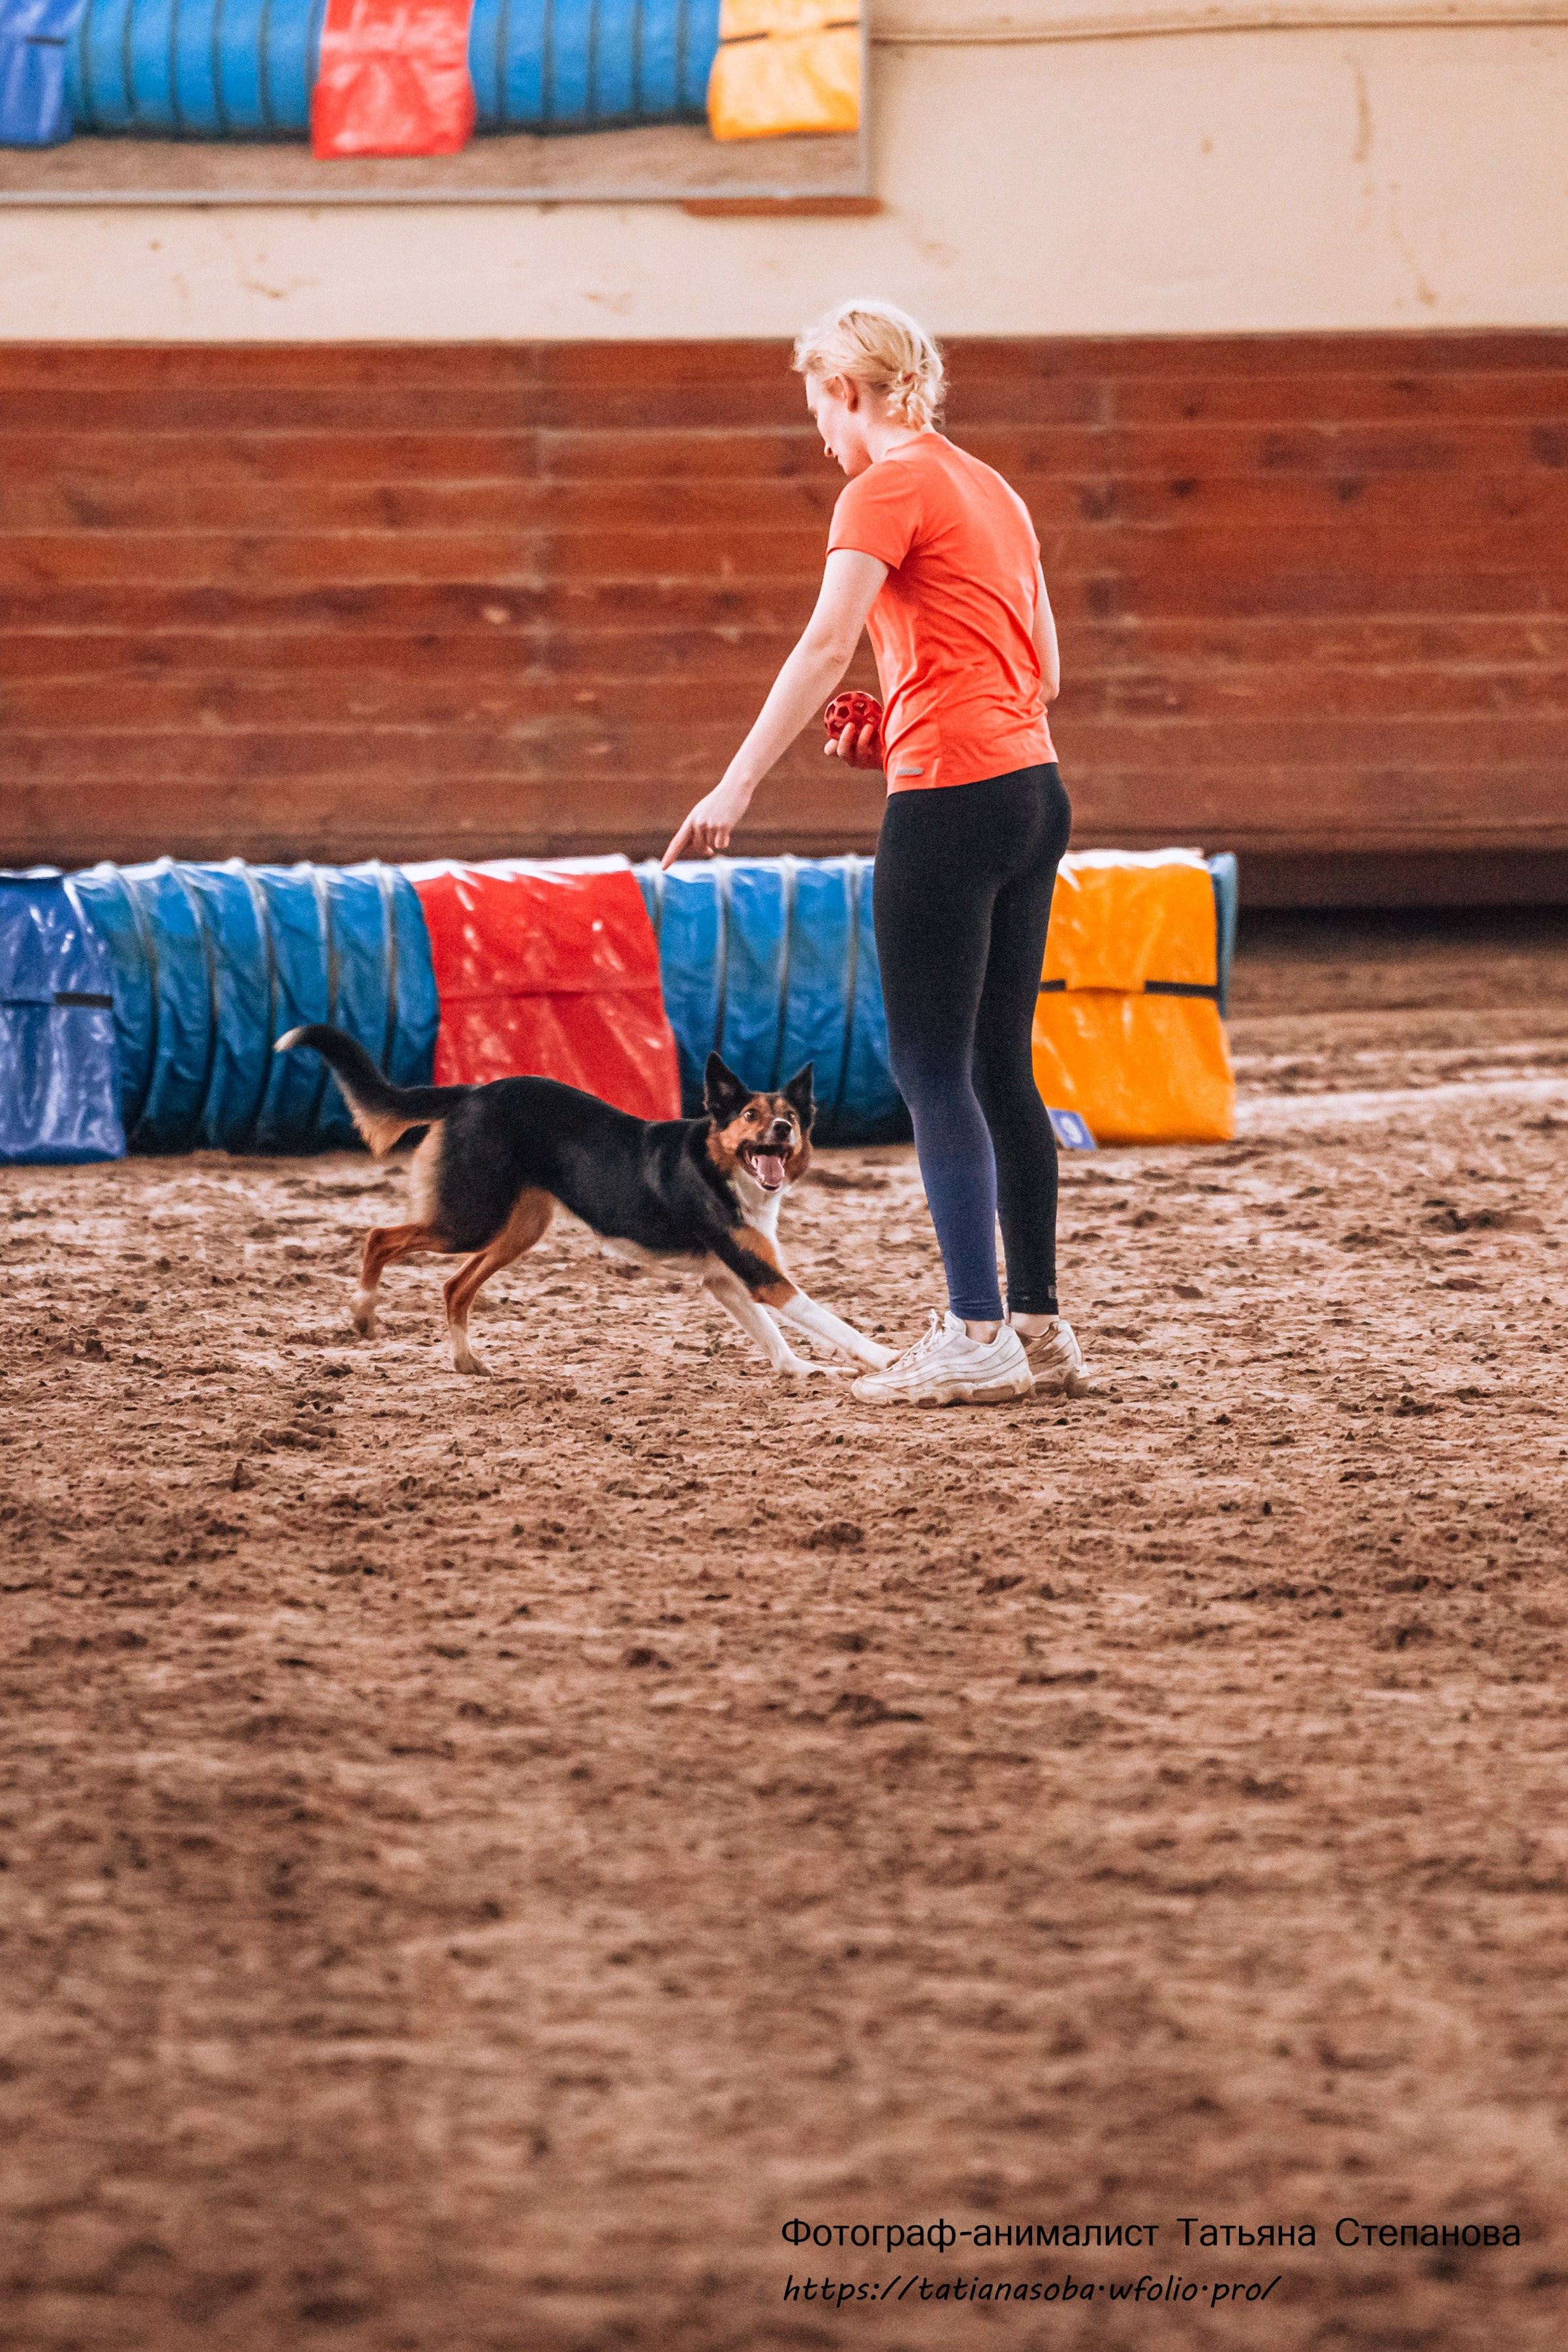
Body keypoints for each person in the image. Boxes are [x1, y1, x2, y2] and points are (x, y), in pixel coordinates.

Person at [662, 298, 1084, 1408]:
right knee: (999, 1066)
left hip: (951, 799)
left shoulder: (881, 486)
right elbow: (1038, 672)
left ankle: (973, 1331)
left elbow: (821, 642)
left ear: (847, 391)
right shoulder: (989, 487)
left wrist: (737, 780)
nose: (819, 435)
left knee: (927, 1070)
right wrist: (899, 721)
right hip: (1032, 790)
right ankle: (1037, 1322)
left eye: (818, 408)